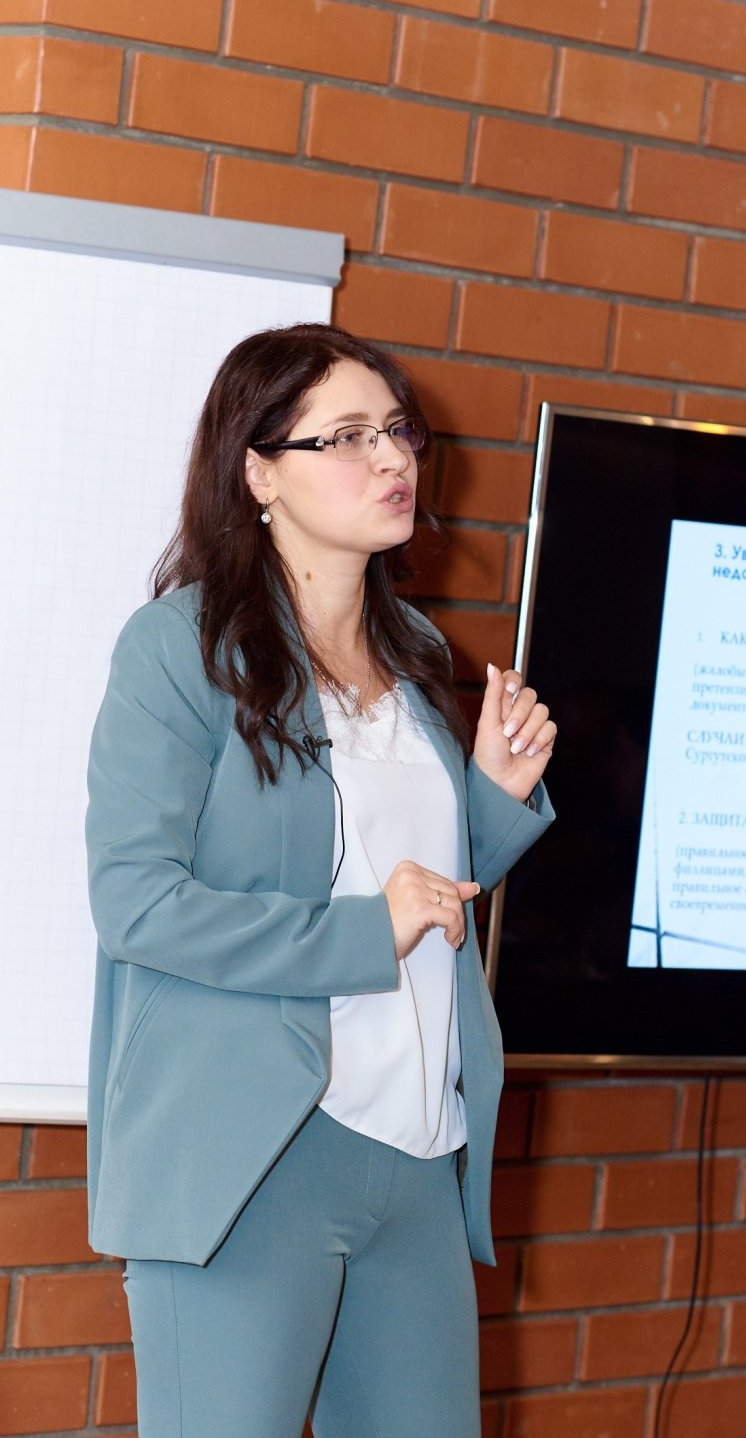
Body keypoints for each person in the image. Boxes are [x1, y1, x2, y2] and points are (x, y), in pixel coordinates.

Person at [84, 322, 555, 1438]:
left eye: (398, 431)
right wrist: (362, 931)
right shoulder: (180, 650)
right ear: (258, 473)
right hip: (254, 1156)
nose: (390, 458)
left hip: (417, 1156)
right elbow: (138, 903)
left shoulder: (412, 662)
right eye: (346, 436)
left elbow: (420, 901)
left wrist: (487, 797)